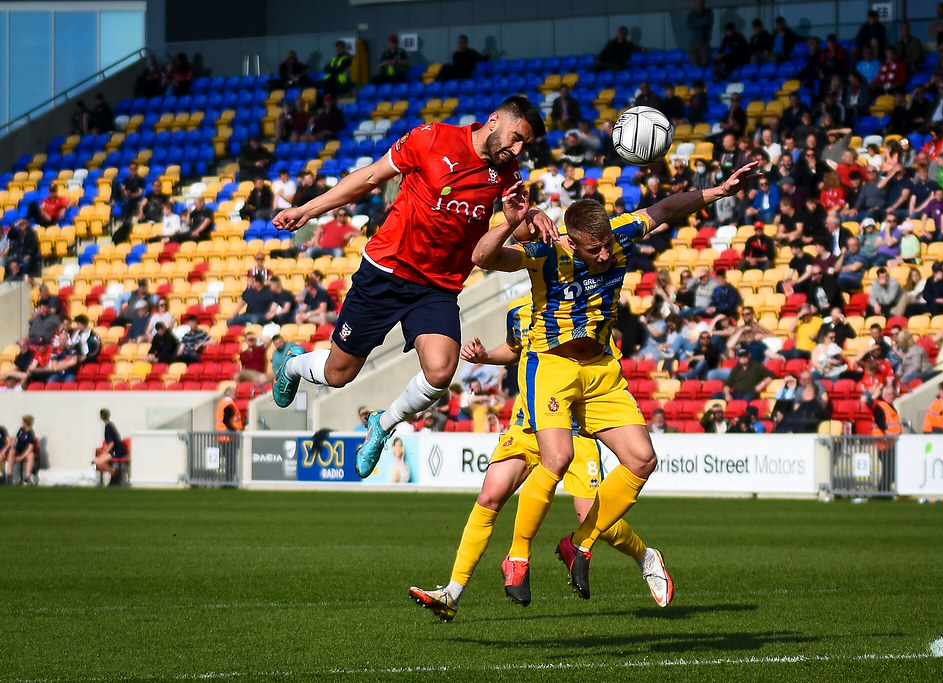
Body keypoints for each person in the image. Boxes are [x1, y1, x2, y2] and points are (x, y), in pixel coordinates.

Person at [471, 158, 759, 604]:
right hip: (553, 366)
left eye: (607, 244)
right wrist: (515, 221)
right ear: (572, 241)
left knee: (643, 459)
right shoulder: (549, 252)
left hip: (602, 369)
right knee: (558, 455)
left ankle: (579, 543)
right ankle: (518, 555)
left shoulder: (620, 235)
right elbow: (482, 257)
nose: (605, 255)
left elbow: (664, 209)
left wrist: (717, 192)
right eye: (594, 250)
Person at [271, 96, 549, 479]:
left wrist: (532, 213)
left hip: (437, 286)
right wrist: (307, 210)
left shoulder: (507, 171)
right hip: (385, 271)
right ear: (494, 120)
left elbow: (516, 220)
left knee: (440, 371)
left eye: (524, 145)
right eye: (515, 137)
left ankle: (382, 424)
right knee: (338, 374)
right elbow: (369, 178)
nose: (516, 150)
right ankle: (293, 364)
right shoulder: (431, 138)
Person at [409, 296, 673, 620]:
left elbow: (600, 357)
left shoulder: (587, 307)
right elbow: (515, 347)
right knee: (490, 495)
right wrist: (485, 357)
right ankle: (452, 593)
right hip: (528, 423)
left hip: (575, 430)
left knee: (592, 519)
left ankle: (645, 557)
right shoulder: (518, 310)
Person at [93, 408, 128, 486]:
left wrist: (104, 453)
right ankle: (113, 474)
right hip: (114, 450)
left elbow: (111, 443)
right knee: (96, 460)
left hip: (118, 450)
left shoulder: (109, 427)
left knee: (100, 461)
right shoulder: (108, 426)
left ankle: (115, 476)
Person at [215, 385, 243, 483]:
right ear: (230, 393)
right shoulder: (228, 404)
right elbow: (227, 421)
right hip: (228, 437)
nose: (236, 395)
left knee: (229, 460)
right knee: (230, 460)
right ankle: (228, 480)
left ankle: (229, 479)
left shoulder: (224, 403)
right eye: (235, 393)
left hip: (226, 436)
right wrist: (235, 431)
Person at [3, 415, 37, 485]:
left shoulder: (30, 433)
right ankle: (9, 475)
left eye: (23, 422)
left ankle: (27, 477)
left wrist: (21, 457)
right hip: (18, 451)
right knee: (12, 451)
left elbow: (30, 448)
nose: (22, 423)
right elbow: (16, 439)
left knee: (31, 456)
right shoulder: (21, 430)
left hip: (25, 453)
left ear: (26, 423)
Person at [686, 0, 714, 67]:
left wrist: (695, 23)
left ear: (704, 3)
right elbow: (688, 25)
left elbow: (706, 21)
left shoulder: (708, 13)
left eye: (701, 3)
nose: (699, 5)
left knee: (704, 63)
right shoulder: (691, 13)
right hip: (693, 42)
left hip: (703, 42)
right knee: (694, 63)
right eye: (697, 3)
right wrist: (700, 23)